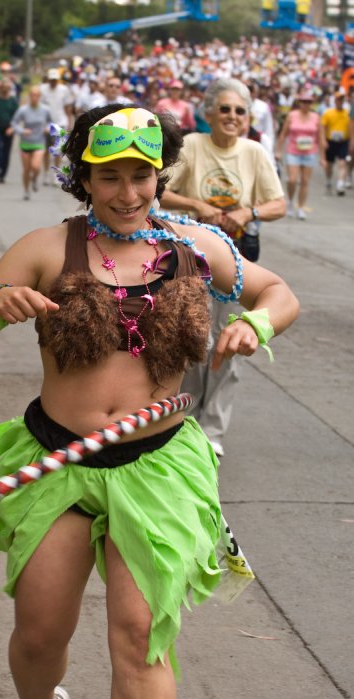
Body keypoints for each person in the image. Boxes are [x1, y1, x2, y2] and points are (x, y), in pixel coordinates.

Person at [0, 103, 299, 699]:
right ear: (83, 176)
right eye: (110, 176)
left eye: (141, 175)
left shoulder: (195, 247)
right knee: (40, 631)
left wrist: (254, 323)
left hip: (156, 462)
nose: (128, 193)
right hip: (60, 460)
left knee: (139, 636)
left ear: (159, 174)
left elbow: (277, 292)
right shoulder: (48, 248)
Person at [161, 78, 286, 458]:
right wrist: (197, 206)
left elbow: (277, 204)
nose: (233, 117)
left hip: (236, 256)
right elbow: (159, 189)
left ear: (249, 117)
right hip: (190, 251)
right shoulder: (192, 146)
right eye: (226, 109)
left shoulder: (254, 152)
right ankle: (184, 420)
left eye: (240, 111)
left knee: (230, 340)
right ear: (209, 113)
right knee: (193, 338)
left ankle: (212, 430)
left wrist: (249, 211)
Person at [275, 89, 320, 219]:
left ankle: (300, 207)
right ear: (299, 103)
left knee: (305, 181)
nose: (306, 104)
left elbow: (320, 137)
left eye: (308, 102)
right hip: (293, 150)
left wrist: (322, 156)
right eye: (304, 102)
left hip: (310, 152)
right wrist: (278, 150)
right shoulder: (292, 115)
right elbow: (283, 134)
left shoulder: (316, 117)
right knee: (292, 180)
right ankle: (290, 202)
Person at [9, 85, 52, 200]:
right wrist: (22, 131)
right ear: (29, 96)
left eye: (37, 95)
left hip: (39, 141)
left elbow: (50, 122)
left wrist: (48, 128)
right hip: (26, 143)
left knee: (36, 166)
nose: (34, 98)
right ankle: (26, 191)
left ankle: (35, 179)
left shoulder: (45, 110)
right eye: (32, 95)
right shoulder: (23, 110)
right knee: (27, 169)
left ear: (40, 97)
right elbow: (14, 123)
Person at [40, 68, 74, 185]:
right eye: (51, 80)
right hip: (47, 123)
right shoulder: (43, 89)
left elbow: (68, 107)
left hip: (61, 122)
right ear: (48, 80)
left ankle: (56, 174)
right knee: (46, 149)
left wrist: (69, 122)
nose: (53, 82)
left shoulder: (63, 90)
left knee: (58, 150)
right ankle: (45, 173)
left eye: (55, 80)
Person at [319, 91, 350, 196]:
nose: (340, 101)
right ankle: (328, 180)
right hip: (330, 141)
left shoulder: (347, 113)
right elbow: (323, 127)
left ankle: (340, 184)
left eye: (341, 99)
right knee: (329, 164)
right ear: (335, 101)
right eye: (338, 99)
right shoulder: (328, 113)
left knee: (342, 163)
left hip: (343, 141)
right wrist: (323, 140)